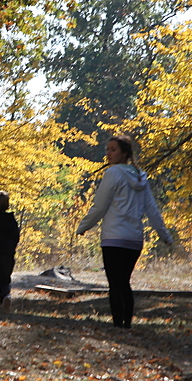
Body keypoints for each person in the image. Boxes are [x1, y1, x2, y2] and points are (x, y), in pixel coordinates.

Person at [76, 134, 172, 328]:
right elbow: (152, 209)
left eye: (113, 150)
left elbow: (99, 206)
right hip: (134, 239)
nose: (108, 153)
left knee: (115, 283)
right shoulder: (140, 177)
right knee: (124, 282)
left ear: (124, 154)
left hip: (113, 238)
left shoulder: (113, 174)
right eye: (107, 149)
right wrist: (165, 235)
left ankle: (118, 324)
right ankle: (126, 324)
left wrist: (83, 226)